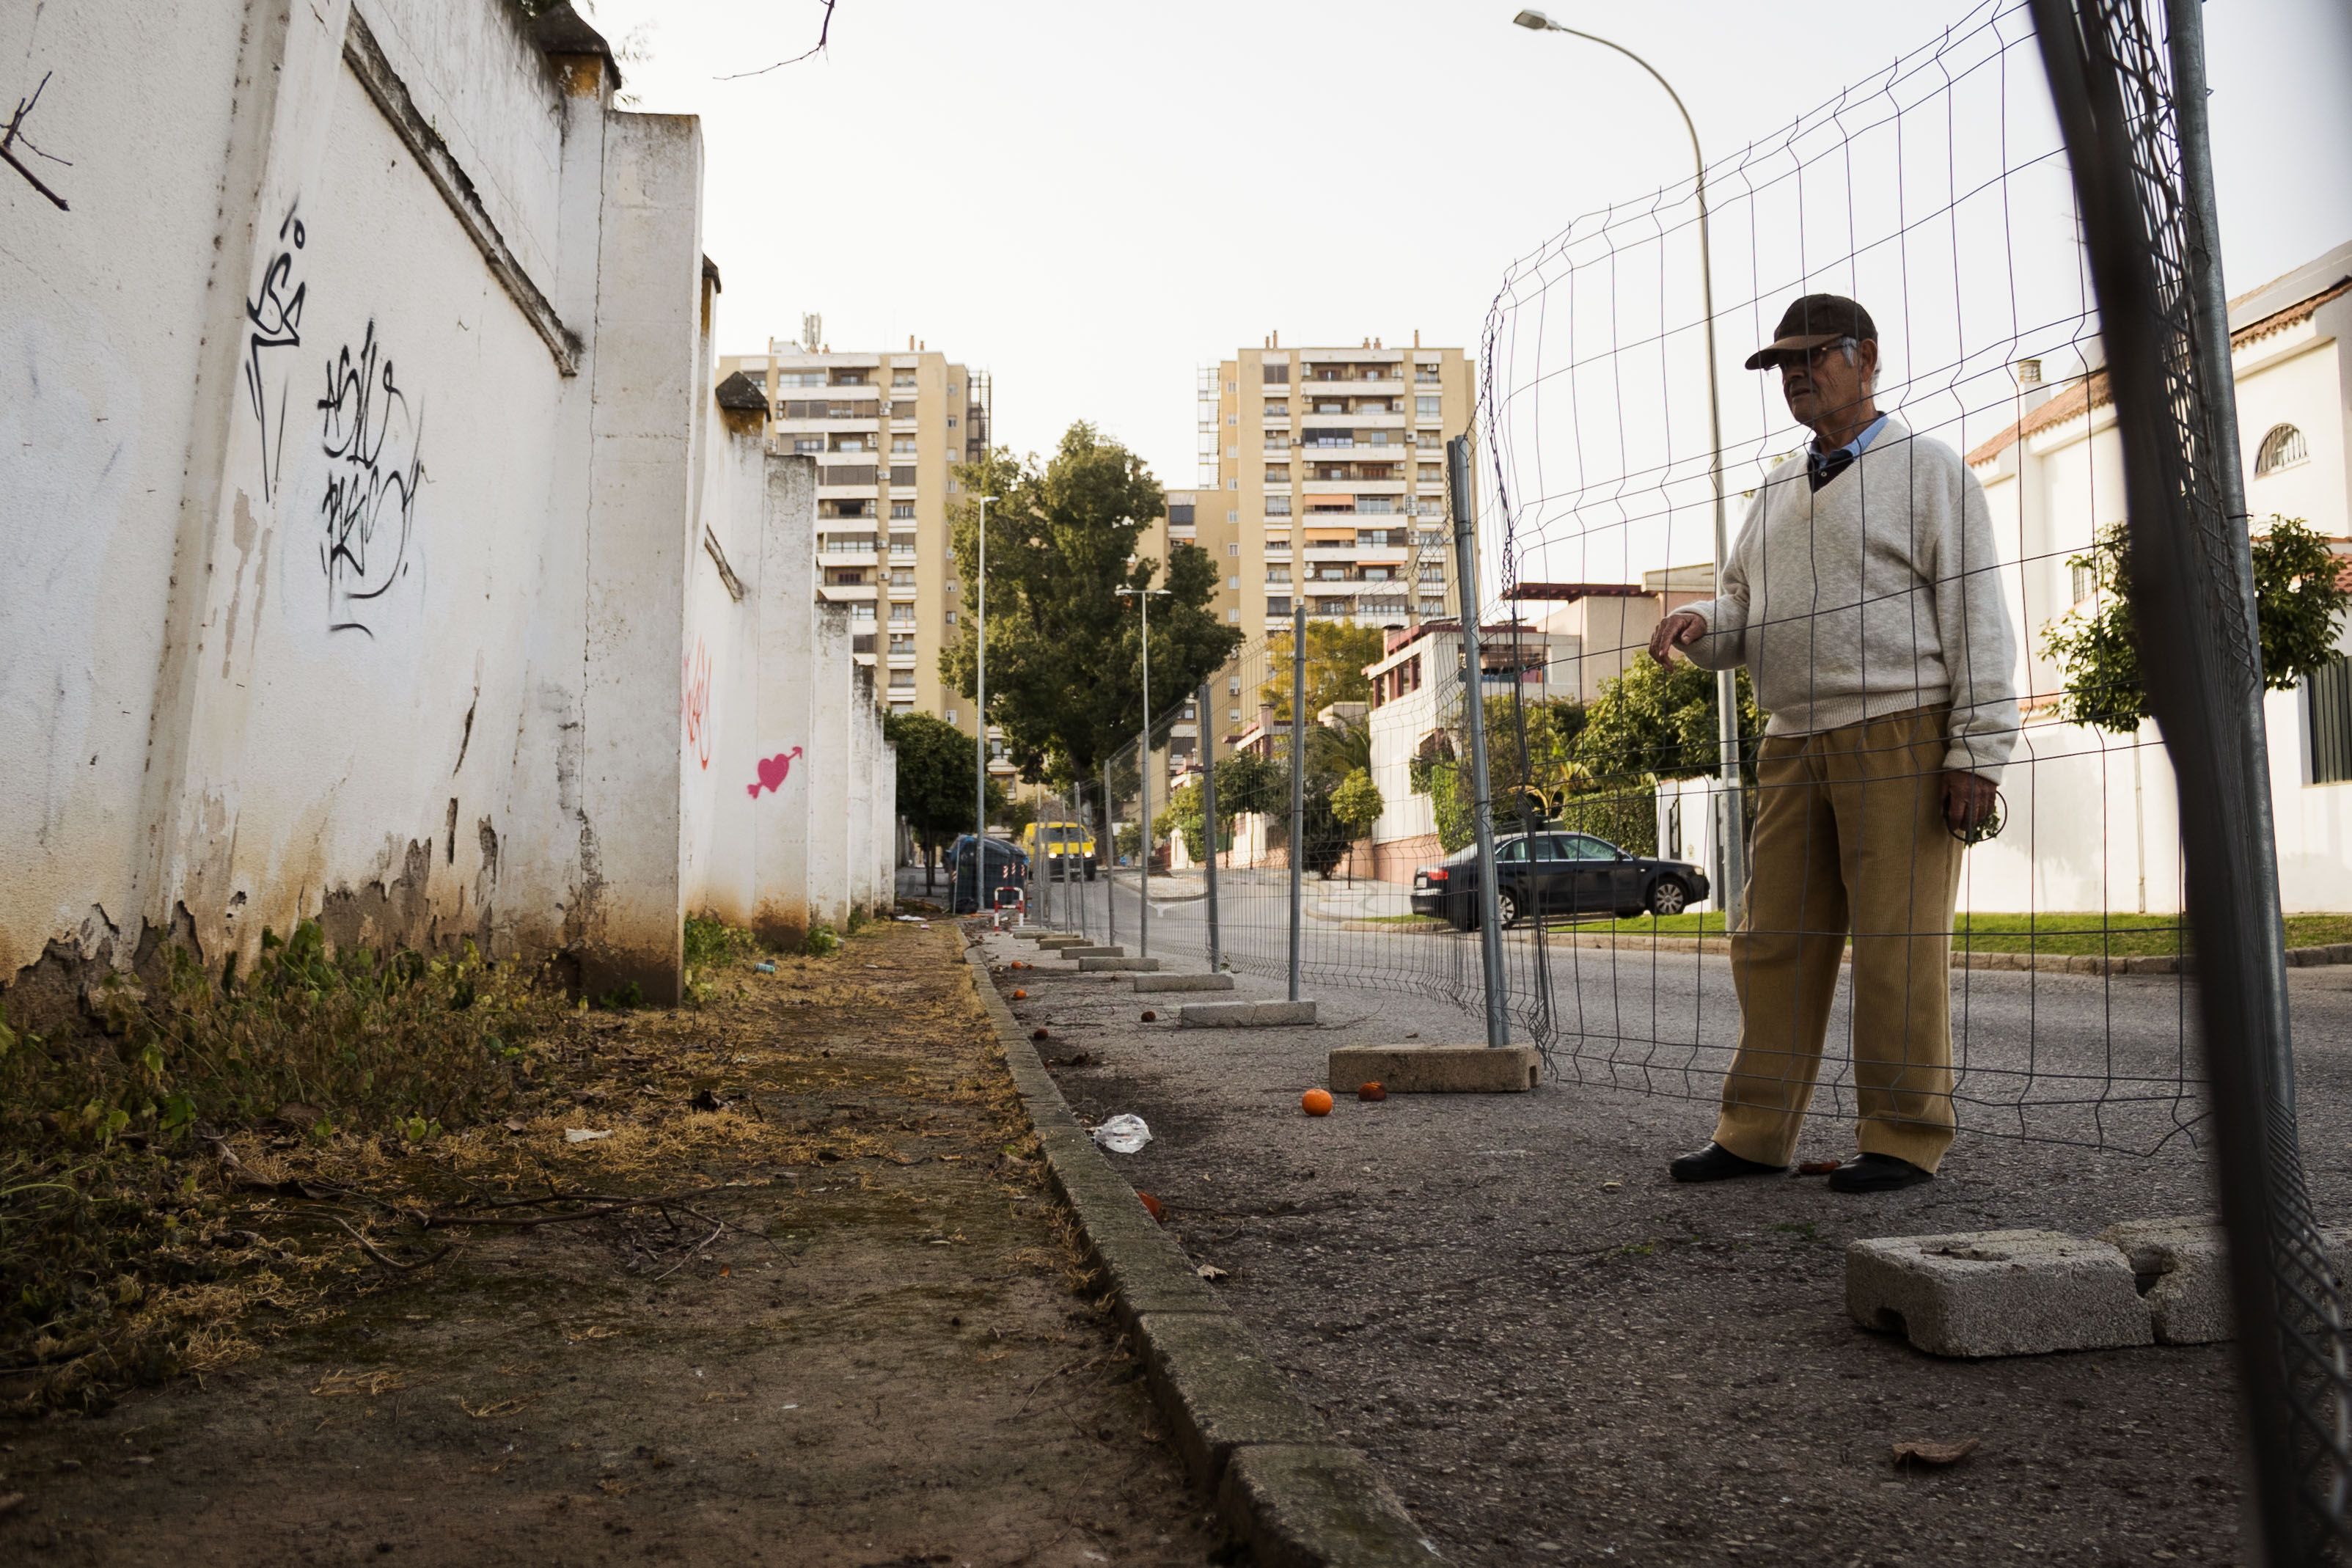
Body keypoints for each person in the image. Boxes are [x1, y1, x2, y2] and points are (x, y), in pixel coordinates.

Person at [1648, 293, 2016, 1194]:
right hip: (1792, 737)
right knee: (1772, 937)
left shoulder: (1931, 472)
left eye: (1816, 355)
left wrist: (1978, 749)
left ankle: (1902, 1134)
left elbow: (1979, 619)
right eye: (1783, 364)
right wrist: (1705, 622)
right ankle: (1755, 1132)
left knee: (1897, 941)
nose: (1798, 374)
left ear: (1869, 357)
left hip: (1902, 729)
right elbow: (1747, 615)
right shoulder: (1774, 487)